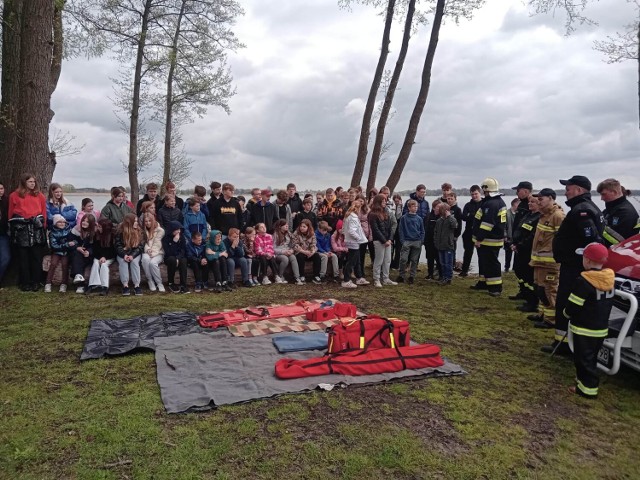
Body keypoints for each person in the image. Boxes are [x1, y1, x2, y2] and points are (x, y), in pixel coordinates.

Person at [546, 175, 605, 355]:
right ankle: (563, 342)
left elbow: (590, 240)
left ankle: (563, 345)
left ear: (579, 190)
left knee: (565, 301)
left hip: (575, 267)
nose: (565, 192)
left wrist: (580, 257)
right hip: (575, 265)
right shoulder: (588, 207)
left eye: (568, 189)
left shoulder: (582, 211)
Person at [565, 242, 614, 398]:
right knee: (591, 357)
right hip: (601, 327)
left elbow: (574, 304)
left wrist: (566, 313)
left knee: (582, 359)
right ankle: (583, 381)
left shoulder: (584, 281)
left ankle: (587, 389)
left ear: (587, 260)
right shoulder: (609, 279)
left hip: (584, 327)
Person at [529, 189, 565, 329]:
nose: (539, 202)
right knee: (540, 288)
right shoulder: (543, 216)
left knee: (549, 290)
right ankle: (542, 313)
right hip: (539, 261)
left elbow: (562, 240)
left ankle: (551, 320)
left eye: (541, 199)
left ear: (550, 198)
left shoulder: (558, 216)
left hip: (550, 263)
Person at [8, 173, 47, 291]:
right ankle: (25, 282)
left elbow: (44, 212)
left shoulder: (39, 195)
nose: (32, 184)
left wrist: (43, 227)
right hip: (21, 229)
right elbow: (10, 213)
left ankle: (36, 281)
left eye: (34, 182)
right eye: (30, 182)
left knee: (36, 256)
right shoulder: (14, 195)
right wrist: (11, 228)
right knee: (23, 257)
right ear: (24, 182)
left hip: (36, 228)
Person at [471, 177, 507, 297]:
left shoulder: (492, 204)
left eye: (483, 190)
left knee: (492, 264)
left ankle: (495, 288)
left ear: (487, 190)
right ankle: (483, 282)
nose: (482, 192)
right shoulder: (494, 202)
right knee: (484, 262)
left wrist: (479, 238)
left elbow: (487, 224)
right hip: (488, 240)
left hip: (489, 240)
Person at [510, 195, 541, 316]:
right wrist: (514, 243)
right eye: (529, 202)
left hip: (527, 251)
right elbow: (519, 230)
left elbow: (532, 236)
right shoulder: (528, 215)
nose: (530, 204)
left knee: (528, 276)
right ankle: (524, 294)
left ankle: (533, 302)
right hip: (519, 249)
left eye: (533, 202)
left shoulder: (539, 218)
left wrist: (520, 245)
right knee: (519, 271)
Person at [597, 178, 640, 246]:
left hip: (621, 252)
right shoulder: (611, 209)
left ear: (615, 192)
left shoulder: (625, 212)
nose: (601, 198)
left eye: (603, 194)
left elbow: (617, 240)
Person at [509, 181, 533, 292]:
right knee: (518, 269)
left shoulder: (530, 204)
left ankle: (528, 294)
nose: (517, 193)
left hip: (524, 244)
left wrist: (520, 243)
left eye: (518, 191)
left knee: (525, 270)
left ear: (526, 191)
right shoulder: (522, 204)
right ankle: (522, 291)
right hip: (517, 242)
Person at [369, 194, 397, 287]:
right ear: (378, 202)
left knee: (387, 260)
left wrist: (389, 239)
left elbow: (389, 227)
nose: (385, 202)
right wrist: (384, 241)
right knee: (379, 260)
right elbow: (375, 230)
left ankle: (386, 278)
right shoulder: (372, 214)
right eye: (383, 201)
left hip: (387, 241)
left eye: (385, 201)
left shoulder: (386, 212)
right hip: (379, 241)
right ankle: (376, 279)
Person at [341, 198, 369, 288]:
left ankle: (358, 277)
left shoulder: (349, 216)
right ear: (358, 208)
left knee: (356, 261)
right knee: (352, 261)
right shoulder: (352, 217)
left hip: (352, 242)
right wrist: (359, 238)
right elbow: (351, 231)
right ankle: (346, 280)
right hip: (353, 242)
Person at [115, 213, 144, 296]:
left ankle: (137, 285)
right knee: (123, 262)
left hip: (135, 253)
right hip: (122, 254)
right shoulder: (120, 231)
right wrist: (124, 255)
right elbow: (118, 245)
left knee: (134, 262)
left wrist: (132, 255)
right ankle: (125, 285)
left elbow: (140, 247)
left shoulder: (139, 231)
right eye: (135, 221)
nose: (137, 223)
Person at [397, 199, 425, 284]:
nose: (415, 208)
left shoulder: (419, 218)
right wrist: (403, 241)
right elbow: (401, 230)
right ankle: (401, 275)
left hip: (417, 241)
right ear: (409, 207)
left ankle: (412, 276)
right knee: (403, 259)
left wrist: (421, 240)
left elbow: (422, 230)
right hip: (407, 241)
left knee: (414, 260)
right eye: (413, 206)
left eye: (416, 206)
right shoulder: (404, 218)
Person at [44, 214, 74, 293]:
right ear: (55, 224)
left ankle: (64, 284)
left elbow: (74, 240)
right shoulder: (52, 233)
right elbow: (54, 245)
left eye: (63, 222)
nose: (62, 224)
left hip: (66, 252)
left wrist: (72, 243)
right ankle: (48, 283)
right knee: (53, 264)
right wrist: (66, 245)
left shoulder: (69, 230)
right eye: (59, 222)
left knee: (65, 265)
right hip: (56, 251)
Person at [86, 217, 116, 295]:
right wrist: (100, 257)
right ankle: (92, 284)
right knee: (95, 263)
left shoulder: (112, 236)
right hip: (99, 256)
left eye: (99, 226)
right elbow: (95, 248)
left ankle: (104, 286)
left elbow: (113, 250)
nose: (98, 228)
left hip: (109, 257)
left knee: (104, 265)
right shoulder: (96, 235)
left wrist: (105, 257)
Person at [69, 213, 96, 293]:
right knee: (77, 256)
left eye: (87, 222)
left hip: (89, 255)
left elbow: (95, 246)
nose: (84, 223)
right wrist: (77, 247)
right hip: (76, 253)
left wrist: (89, 252)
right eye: (83, 220)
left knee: (80, 258)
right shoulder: (76, 230)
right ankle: (80, 281)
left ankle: (79, 282)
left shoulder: (94, 233)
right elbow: (69, 242)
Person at [460, 185, 483, 277]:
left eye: (476, 194)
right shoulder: (468, 205)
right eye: (472, 194)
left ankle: (482, 272)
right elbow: (464, 217)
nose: (474, 196)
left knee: (481, 255)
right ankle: (464, 271)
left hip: (480, 233)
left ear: (480, 193)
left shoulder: (484, 204)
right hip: (469, 232)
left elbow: (484, 217)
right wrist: (476, 215)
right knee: (468, 253)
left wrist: (471, 215)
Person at [140, 212, 165, 293]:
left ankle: (159, 283)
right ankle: (150, 280)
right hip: (147, 252)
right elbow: (143, 243)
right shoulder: (142, 231)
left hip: (158, 252)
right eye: (146, 221)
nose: (148, 223)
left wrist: (152, 253)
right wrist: (147, 250)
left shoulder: (160, 230)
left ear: (153, 220)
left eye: (149, 221)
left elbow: (157, 243)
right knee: (145, 259)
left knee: (153, 263)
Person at [273, 219, 303, 285]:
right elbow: (273, 248)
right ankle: (280, 276)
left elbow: (293, 244)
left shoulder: (289, 234)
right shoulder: (276, 234)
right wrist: (283, 252)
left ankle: (297, 277)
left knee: (293, 257)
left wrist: (292, 250)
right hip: (278, 253)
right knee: (285, 259)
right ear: (280, 226)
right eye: (285, 225)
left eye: (287, 224)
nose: (287, 226)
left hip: (288, 251)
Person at [434, 203, 458, 285]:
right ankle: (444, 277)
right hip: (440, 246)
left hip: (448, 245)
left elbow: (455, 225)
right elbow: (436, 232)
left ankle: (448, 278)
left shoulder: (451, 219)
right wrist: (436, 242)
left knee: (448, 263)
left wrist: (449, 216)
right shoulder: (439, 221)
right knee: (442, 263)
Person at [292, 218, 322, 283]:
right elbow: (295, 245)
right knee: (300, 256)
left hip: (309, 252)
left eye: (304, 227)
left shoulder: (312, 233)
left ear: (308, 227)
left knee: (317, 256)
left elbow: (314, 244)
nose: (301, 228)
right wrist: (304, 252)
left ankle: (316, 276)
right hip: (300, 252)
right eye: (301, 226)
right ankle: (302, 275)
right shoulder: (296, 233)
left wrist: (312, 251)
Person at [163, 220, 189, 294]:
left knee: (184, 260)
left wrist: (178, 257)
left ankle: (183, 284)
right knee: (172, 259)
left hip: (179, 257)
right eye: (176, 230)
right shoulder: (166, 239)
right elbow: (168, 252)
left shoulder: (182, 237)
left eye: (179, 229)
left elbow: (183, 250)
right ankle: (171, 283)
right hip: (169, 257)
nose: (178, 232)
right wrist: (174, 241)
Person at [424, 199, 442, 280]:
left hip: (438, 241)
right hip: (429, 241)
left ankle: (440, 275)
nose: (439, 208)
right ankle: (430, 274)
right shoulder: (428, 216)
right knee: (430, 258)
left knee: (439, 259)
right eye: (438, 207)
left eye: (440, 207)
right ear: (434, 208)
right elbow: (425, 228)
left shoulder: (442, 217)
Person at [504, 198, 520, 273]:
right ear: (514, 204)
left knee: (517, 254)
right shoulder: (506, 213)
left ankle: (514, 268)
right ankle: (506, 268)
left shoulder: (520, 214)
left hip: (517, 237)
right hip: (509, 237)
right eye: (518, 204)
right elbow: (503, 226)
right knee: (508, 253)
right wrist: (505, 236)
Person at [0, 182, 11, 289]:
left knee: (5, 258)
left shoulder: (7, 201)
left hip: (3, 235)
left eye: (2, 188)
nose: (0, 191)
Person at [390, 193, 403, 269]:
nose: (397, 203)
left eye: (398, 201)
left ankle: (396, 264)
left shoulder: (403, 207)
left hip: (399, 230)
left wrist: (399, 207)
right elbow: (395, 217)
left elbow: (399, 216)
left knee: (398, 248)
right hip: (392, 228)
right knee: (391, 247)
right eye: (395, 201)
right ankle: (390, 263)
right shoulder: (391, 207)